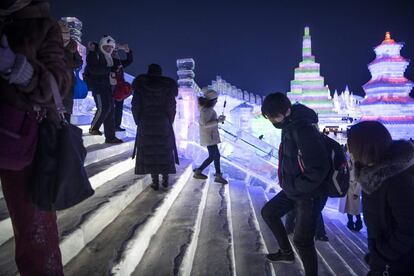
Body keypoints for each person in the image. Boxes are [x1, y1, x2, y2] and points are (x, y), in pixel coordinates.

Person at [0, 0, 72, 274]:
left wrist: (20, 70)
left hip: (22, 141)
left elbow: (61, 81)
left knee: (34, 231)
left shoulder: (41, 25)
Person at [260, 92, 330, 276]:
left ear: (287, 111)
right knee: (269, 212)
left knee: (302, 241)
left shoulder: (303, 129)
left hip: (310, 194)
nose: (273, 121)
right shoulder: (289, 124)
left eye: (274, 117)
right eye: (270, 118)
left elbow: (318, 168)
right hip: (294, 188)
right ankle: (286, 252)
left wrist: (298, 186)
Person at [347, 121, 414, 276]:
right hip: (386, 258)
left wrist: (383, 255)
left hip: (399, 263)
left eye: (351, 145)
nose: (350, 151)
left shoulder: (397, 180)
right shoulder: (372, 173)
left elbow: (409, 228)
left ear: (364, 147)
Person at [131, 64, 179, 190]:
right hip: (163, 121)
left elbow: (135, 106)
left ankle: (155, 181)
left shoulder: (141, 85)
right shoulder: (167, 86)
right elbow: (171, 106)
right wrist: (169, 120)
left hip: (146, 121)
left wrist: (138, 121)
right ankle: (165, 179)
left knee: (150, 150)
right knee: (164, 149)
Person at [84, 35, 122, 144]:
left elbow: (122, 65)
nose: (108, 49)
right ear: (101, 46)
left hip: (108, 86)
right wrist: (110, 69)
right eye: (106, 47)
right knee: (104, 107)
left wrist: (125, 54)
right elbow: (94, 70)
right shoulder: (94, 55)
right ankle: (93, 128)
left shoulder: (109, 57)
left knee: (110, 110)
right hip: (98, 86)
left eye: (111, 47)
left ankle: (110, 137)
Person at [193, 88, 228, 184]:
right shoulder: (206, 110)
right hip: (209, 137)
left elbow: (208, 122)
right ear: (212, 100)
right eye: (216, 99)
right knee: (215, 156)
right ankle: (202, 172)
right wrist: (218, 121)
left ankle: (211, 174)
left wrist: (218, 119)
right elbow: (205, 124)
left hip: (210, 136)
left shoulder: (206, 109)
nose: (217, 101)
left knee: (214, 156)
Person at [58, 20, 83, 122]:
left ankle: (65, 129)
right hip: (54, 80)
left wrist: (67, 64)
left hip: (68, 82)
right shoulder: (51, 44)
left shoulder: (72, 47)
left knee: (67, 110)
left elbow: (79, 62)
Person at [338, 144, 363, 232]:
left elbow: (360, 180)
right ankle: (350, 223)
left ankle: (358, 223)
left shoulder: (358, 164)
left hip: (353, 188)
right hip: (347, 187)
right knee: (348, 207)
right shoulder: (346, 160)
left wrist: (356, 192)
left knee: (355, 209)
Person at [111, 43, 133, 131]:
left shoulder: (118, 62)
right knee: (111, 107)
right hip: (111, 86)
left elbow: (129, 60)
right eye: (114, 51)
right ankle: (111, 126)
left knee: (119, 107)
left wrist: (128, 51)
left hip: (119, 88)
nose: (115, 53)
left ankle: (117, 126)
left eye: (116, 51)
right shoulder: (106, 60)